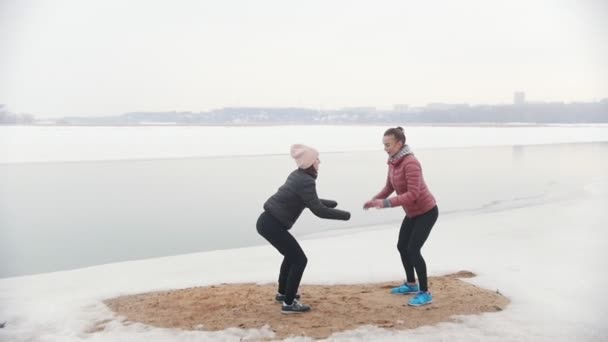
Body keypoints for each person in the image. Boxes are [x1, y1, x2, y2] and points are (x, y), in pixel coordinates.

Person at [257, 144, 351, 314]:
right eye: (317, 159)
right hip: (272, 225)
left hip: (267, 222)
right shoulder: (305, 180)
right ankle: (289, 303)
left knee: (291, 256)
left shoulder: (297, 176)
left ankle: (283, 293)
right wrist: (344, 215)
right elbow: (318, 210)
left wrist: (329, 203)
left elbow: (308, 200)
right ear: (310, 163)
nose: (319, 162)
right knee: (300, 260)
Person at [363, 127, 438, 306]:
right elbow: (389, 187)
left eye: (388, 145)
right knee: (402, 246)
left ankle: (425, 292)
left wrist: (387, 203)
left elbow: (413, 194)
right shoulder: (393, 162)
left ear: (399, 143)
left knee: (413, 249)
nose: (385, 148)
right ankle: (411, 284)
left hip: (426, 212)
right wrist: (375, 200)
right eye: (384, 145)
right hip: (412, 213)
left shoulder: (411, 163)